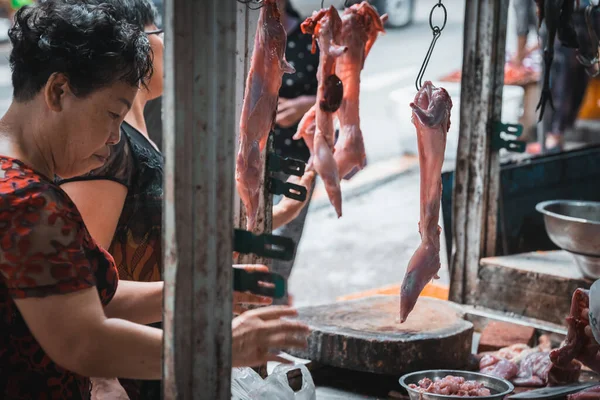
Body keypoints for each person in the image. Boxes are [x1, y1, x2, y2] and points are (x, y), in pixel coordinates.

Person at [0, 2, 309, 399]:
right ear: (58, 90)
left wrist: (206, 288)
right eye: (112, 115)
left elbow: (84, 298)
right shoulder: (25, 198)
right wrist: (222, 349)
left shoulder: (19, 179)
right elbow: (84, 341)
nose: (115, 137)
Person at [270, 0, 320, 303]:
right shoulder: (248, 35)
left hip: (297, 156)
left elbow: (335, 92)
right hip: (253, 156)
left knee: (284, 239)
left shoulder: (310, 37)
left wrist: (305, 105)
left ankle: (274, 303)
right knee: (250, 236)